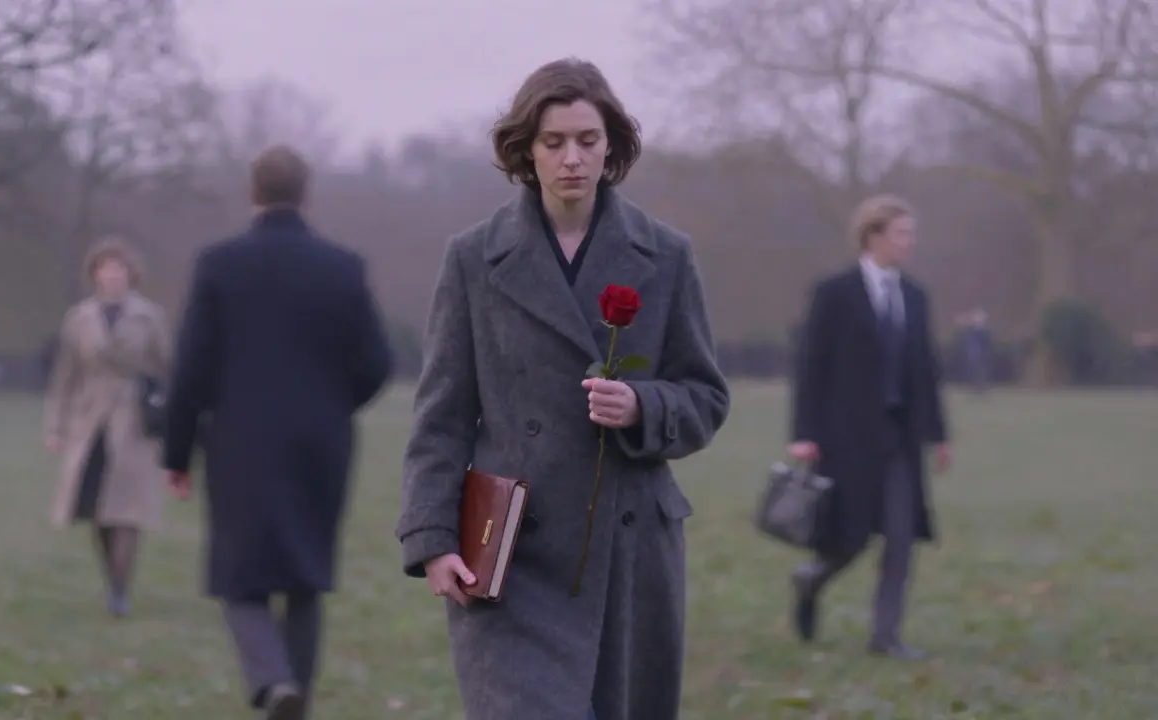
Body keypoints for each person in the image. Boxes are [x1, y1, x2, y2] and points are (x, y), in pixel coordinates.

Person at [395, 58, 729, 720]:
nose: (572, 158)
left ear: (611, 147)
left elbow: (705, 397)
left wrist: (642, 405)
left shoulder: (666, 255)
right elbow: (441, 414)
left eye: (587, 140)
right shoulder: (473, 258)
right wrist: (431, 538)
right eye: (554, 142)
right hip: (510, 550)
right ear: (527, 150)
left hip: (627, 553)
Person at [162, 144, 392, 720]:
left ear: (253, 194)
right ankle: (297, 701)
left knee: (240, 577)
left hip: (241, 441)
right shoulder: (344, 267)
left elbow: (191, 368)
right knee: (306, 577)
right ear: (306, 194)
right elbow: (378, 363)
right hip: (323, 441)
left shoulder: (219, 264)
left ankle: (271, 681)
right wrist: (334, 405)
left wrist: (176, 451)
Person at [788, 194, 951, 659]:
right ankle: (810, 578)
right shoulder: (834, 292)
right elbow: (810, 366)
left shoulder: (916, 296)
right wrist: (804, 433)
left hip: (900, 437)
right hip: (846, 438)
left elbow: (926, 370)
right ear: (874, 236)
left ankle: (886, 636)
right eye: (903, 233)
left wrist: (938, 435)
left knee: (900, 538)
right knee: (851, 536)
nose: (911, 242)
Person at [43, 237, 171, 618]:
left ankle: (120, 590)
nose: (113, 274)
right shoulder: (79, 318)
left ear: (131, 273)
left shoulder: (150, 317)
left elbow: (168, 368)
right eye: (105, 267)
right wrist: (57, 425)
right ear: (95, 273)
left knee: (127, 510)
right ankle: (111, 581)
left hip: (133, 421)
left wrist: (167, 413)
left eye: (119, 267)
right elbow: (65, 375)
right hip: (90, 418)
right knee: (96, 509)